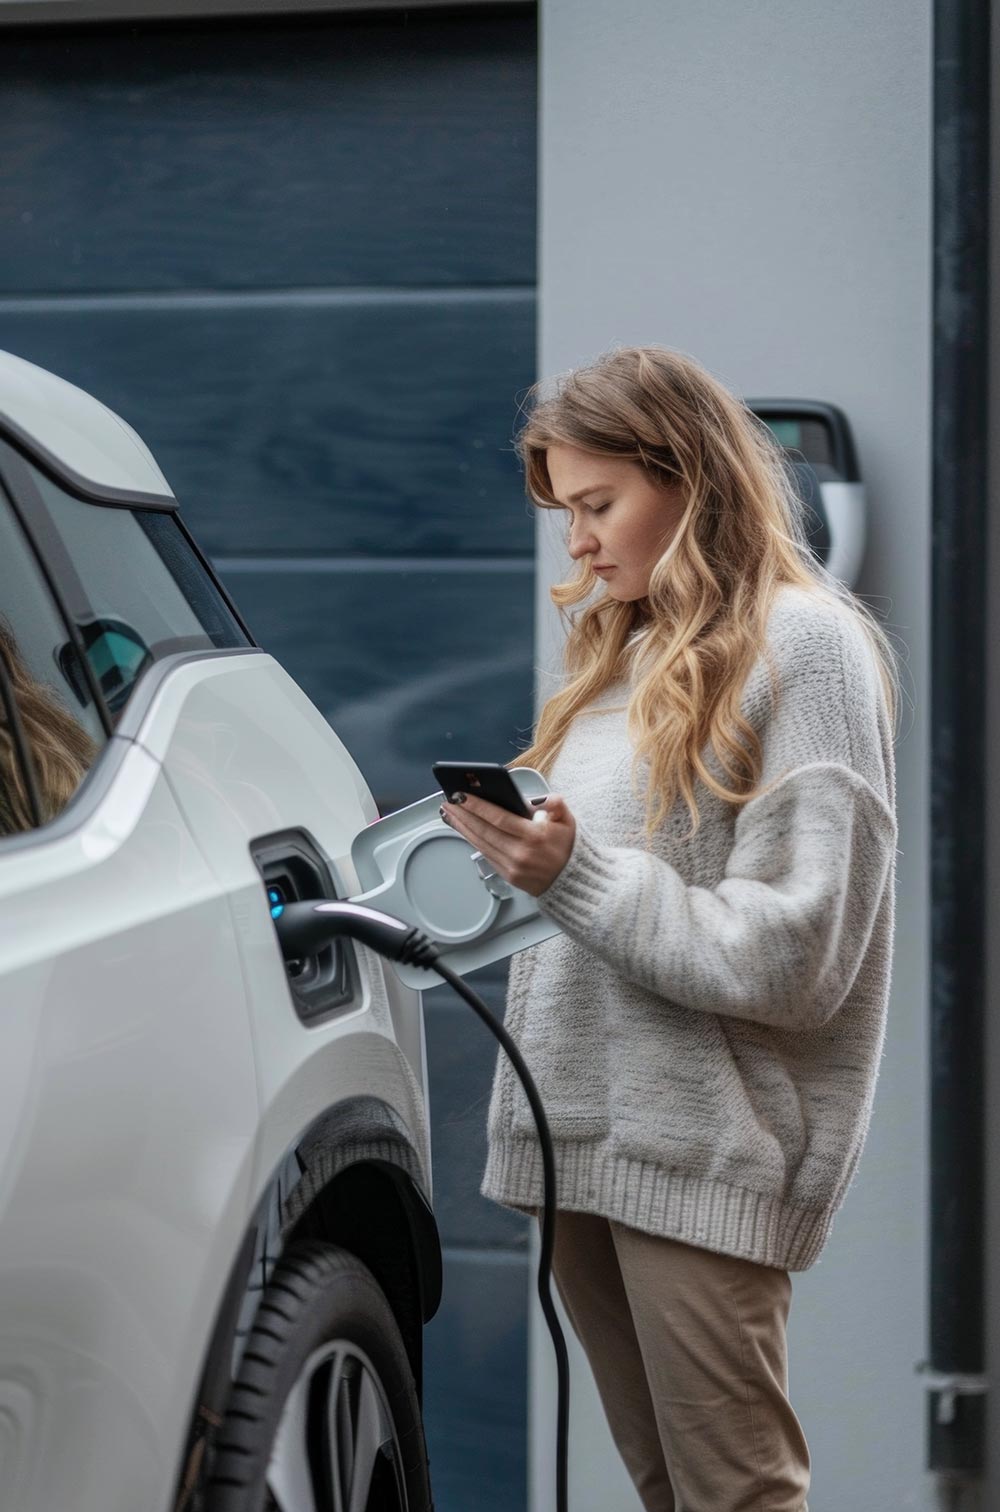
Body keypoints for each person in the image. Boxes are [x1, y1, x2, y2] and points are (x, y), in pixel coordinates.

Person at [438, 345, 900, 1512]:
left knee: (735, 1496)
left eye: (598, 504)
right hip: (585, 1137)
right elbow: (589, 905)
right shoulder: (622, 656)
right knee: (663, 1490)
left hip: (705, 1147)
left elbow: (797, 955)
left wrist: (576, 874)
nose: (578, 542)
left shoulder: (807, 648)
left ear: (687, 478)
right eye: (563, 511)